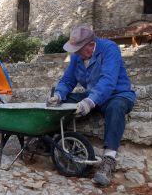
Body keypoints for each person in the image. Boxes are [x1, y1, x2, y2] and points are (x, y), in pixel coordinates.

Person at [46, 26, 136, 186]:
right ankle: (50, 138)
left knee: (116, 107)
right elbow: (67, 81)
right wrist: (58, 95)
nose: (76, 54)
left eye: (79, 49)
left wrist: (89, 102)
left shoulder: (109, 49)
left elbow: (108, 81)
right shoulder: (77, 57)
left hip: (117, 94)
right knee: (61, 101)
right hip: (93, 95)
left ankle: (109, 160)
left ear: (91, 44)